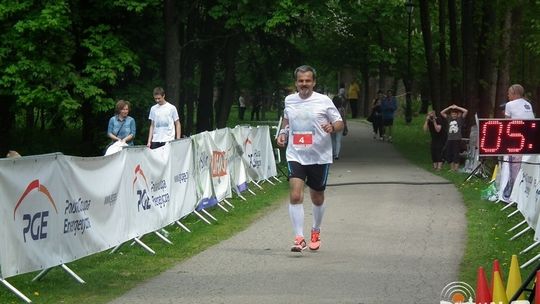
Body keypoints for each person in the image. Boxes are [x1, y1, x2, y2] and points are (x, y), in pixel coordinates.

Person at [276, 65, 344, 252]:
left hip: (319, 156)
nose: (304, 84)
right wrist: (283, 132)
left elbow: (339, 123)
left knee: (317, 196)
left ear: (314, 82)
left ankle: (316, 229)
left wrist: (332, 126)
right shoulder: (289, 100)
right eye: (300, 81)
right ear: (296, 83)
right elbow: (287, 119)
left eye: (307, 81)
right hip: (296, 153)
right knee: (296, 194)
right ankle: (299, 238)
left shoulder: (324, 101)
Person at [502, 84, 535, 201]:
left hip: (516, 140)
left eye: (509, 93)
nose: (507, 95)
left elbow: (506, 123)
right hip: (530, 140)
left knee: (514, 167)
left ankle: (512, 195)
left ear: (515, 93)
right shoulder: (528, 104)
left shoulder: (509, 105)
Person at [440, 104, 468, 171]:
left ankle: (456, 168)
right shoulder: (449, 119)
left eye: (455, 114)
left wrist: (457, 107)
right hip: (450, 139)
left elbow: (466, 111)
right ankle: (452, 168)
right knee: (449, 153)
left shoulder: (460, 119)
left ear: (457, 114)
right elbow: (442, 112)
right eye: (452, 114)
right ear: (451, 115)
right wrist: (449, 107)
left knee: (456, 153)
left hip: (457, 139)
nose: (454, 115)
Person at [331, 87, 348, 160]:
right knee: (338, 140)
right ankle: (337, 155)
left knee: (333, 140)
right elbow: (344, 118)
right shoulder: (342, 109)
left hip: (332, 125)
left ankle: (333, 153)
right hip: (340, 125)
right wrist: (345, 126)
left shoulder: (331, 108)